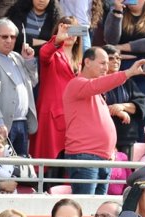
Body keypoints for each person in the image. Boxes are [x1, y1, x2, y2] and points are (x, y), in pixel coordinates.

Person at [64, 49, 145, 195]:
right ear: (87, 62)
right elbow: (98, 85)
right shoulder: (77, 83)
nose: (106, 67)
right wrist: (128, 73)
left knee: (99, 212)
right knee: (86, 209)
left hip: (103, 158)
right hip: (86, 157)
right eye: (102, 63)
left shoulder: (95, 93)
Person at [104, 0, 145, 135]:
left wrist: (120, 48)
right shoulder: (115, 13)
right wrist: (117, 13)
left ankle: (136, 149)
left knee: (139, 114)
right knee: (117, 112)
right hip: (120, 70)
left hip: (144, 74)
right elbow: (110, 40)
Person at [30, 16, 83, 161]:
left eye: (74, 30)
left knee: (68, 162)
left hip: (72, 117)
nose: (70, 34)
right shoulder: (53, 53)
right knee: (49, 161)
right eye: (66, 30)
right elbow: (44, 54)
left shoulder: (80, 61)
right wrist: (57, 40)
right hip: (51, 117)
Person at [0, 18, 39, 158]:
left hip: (22, 122)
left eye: (12, 37)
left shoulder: (18, 57)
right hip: (2, 124)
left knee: (20, 169)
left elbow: (33, 82)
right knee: (0, 170)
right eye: (4, 36)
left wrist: (29, 60)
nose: (9, 40)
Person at [103, 45, 145, 158]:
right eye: (111, 58)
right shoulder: (96, 82)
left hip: (126, 137)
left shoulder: (127, 82)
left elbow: (139, 104)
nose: (116, 61)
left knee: (126, 173)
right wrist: (115, 110)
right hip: (104, 137)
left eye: (118, 58)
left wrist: (122, 106)